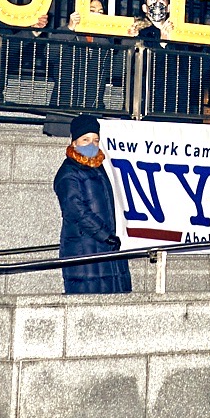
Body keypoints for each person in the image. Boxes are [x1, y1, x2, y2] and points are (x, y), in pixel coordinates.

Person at [54, 115, 131, 294]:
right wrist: (105, 234)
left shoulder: (98, 167)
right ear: (74, 142)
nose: (91, 145)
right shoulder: (68, 173)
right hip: (84, 248)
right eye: (85, 139)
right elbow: (76, 210)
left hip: (104, 245)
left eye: (95, 140)